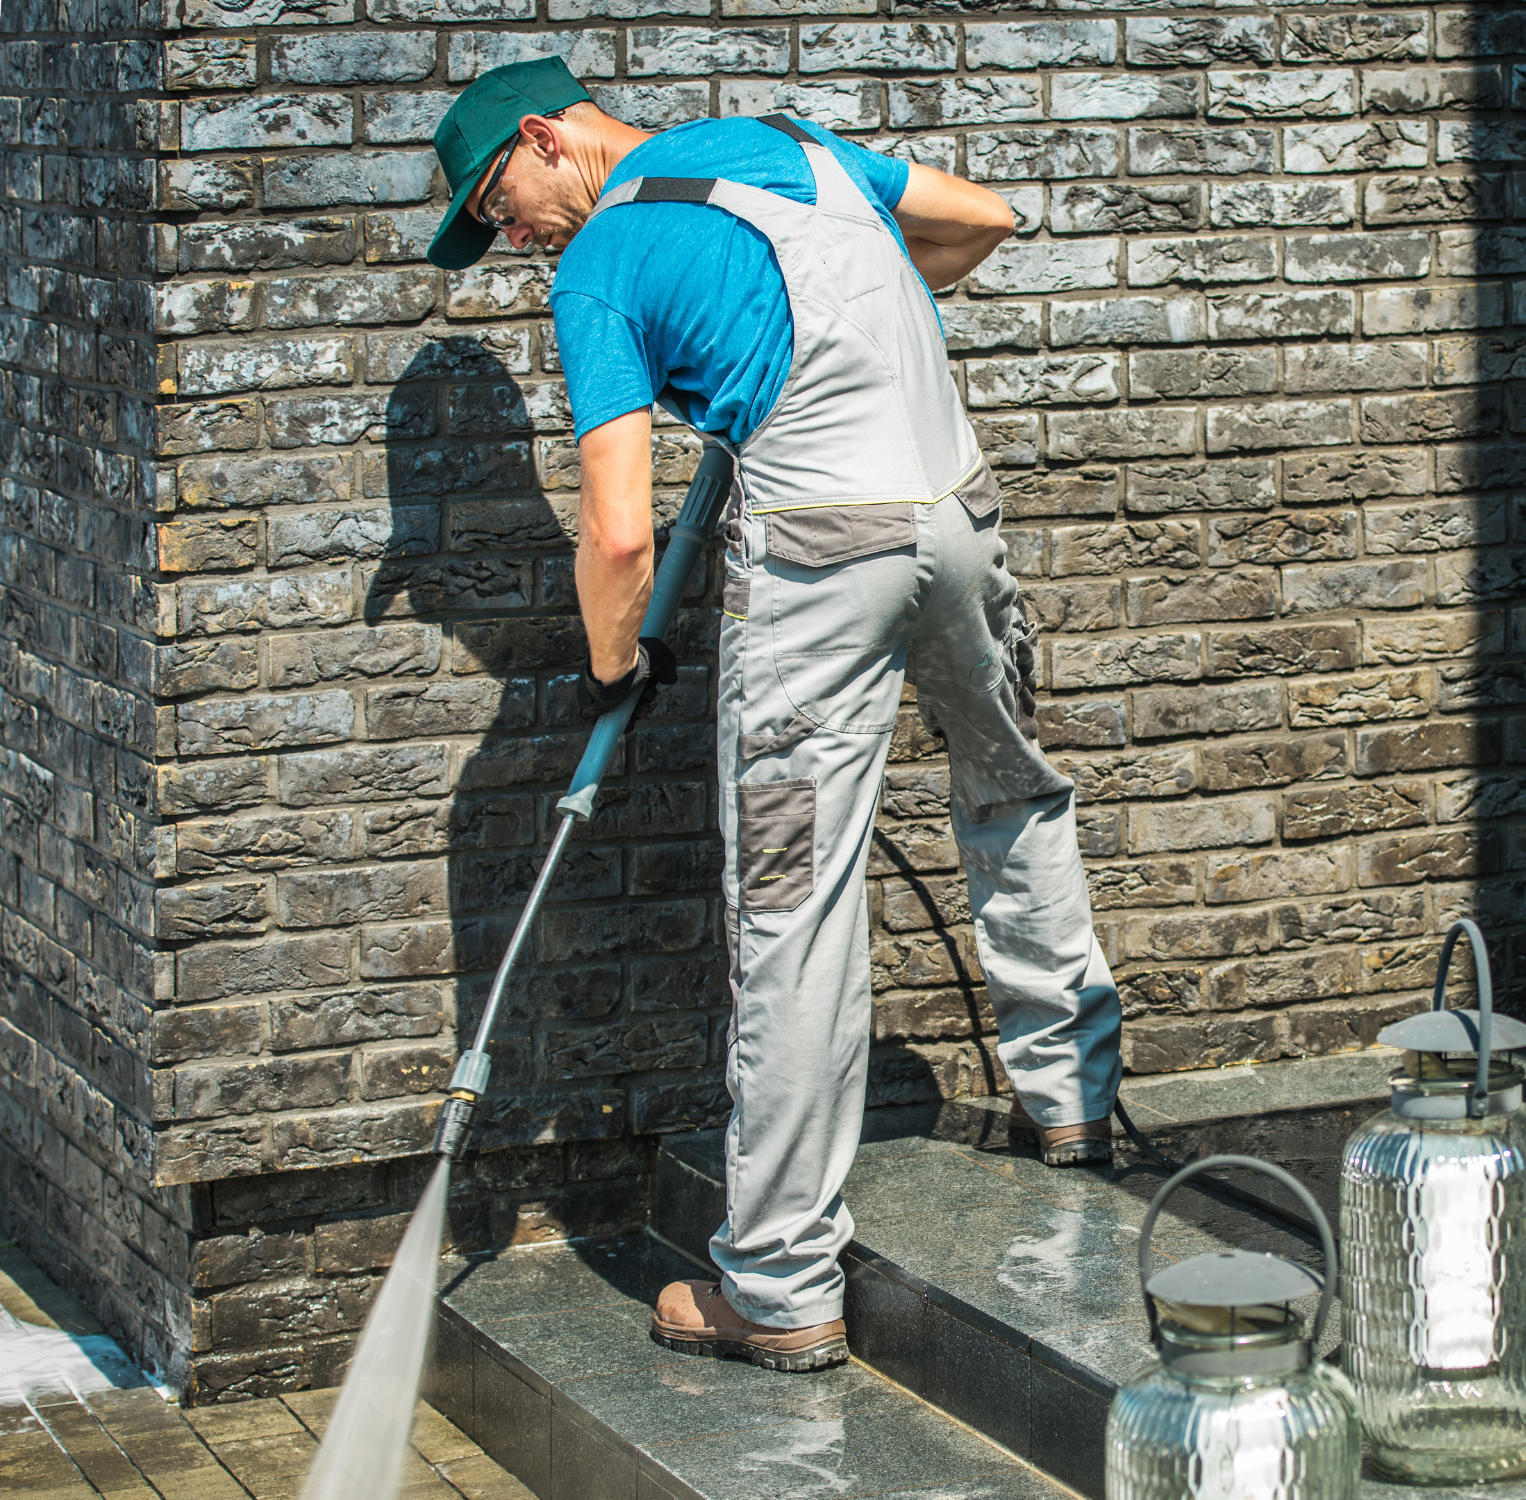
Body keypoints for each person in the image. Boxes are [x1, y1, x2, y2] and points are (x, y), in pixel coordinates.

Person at [423, 57, 1124, 1374]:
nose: (505, 236)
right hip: (962, 520)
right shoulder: (785, 144)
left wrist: (615, 662)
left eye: (495, 199)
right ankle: (1074, 1103)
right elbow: (982, 222)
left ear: (543, 138)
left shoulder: (605, 266)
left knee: (790, 910)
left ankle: (783, 1285)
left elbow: (620, 535)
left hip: (818, 551)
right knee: (1013, 788)